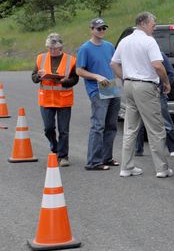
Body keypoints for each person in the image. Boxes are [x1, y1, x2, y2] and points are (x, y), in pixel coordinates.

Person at [111, 11, 173, 179]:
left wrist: (124, 76)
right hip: (145, 86)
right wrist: (166, 82)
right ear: (144, 23)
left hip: (129, 85)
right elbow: (158, 66)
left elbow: (113, 63)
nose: (155, 27)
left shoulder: (125, 41)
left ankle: (126, 167)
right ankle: (162, 168)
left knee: (130, 128)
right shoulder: (148, 41)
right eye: (153, 24)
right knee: (156, 129)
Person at [75, 18, 121, 171]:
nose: (101, 31)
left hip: (112, 87)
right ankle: (94, 161)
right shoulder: (85, 48)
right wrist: (96, 76)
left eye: (103, 28)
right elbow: (79, 70)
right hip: (97, 89)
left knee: (111, 125)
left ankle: (106, 157)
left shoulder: (108, 46)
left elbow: (114, 64)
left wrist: (122, 77)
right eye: (98, 28)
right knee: (98, 125)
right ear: (92, 29)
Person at [31, 33, 78, 167]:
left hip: (63, 100)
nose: (51, 50)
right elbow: (34, 78)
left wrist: (65, 81)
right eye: (49, 48)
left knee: (64, 130)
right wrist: (39, 77)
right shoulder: (40, 58)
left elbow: (75, 79)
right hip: (46, 99)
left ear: (60, 47)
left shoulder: (71, 60)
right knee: (48, 128)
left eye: (54, 48)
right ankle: (54, 147)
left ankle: (63, 156)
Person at [136, 51, 174, 157]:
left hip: (157, 93)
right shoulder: (135, 55)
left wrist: (161, 87)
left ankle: (173, 148)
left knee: (165, 122)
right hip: (139, 92)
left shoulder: (159, 54)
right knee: (138, 122)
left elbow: (171, 73)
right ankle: (138, 149)